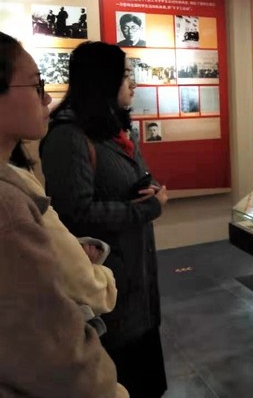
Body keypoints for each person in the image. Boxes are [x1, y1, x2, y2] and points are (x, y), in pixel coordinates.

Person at [41, 41, 169, 398]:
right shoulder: (68, 137)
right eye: (125, 75)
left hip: (137, 275)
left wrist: (148, 188)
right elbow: (75, 212)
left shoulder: (115, 128)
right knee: (121, 378)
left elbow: (130, 178)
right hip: (108, 283)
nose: (132, 83)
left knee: (146, 378)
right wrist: (148, 208)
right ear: (103, 80)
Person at [0, 32, 123, 396]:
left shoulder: (15, 184)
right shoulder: (8, 209)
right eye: (36, 85)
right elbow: (60, 360)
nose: (47, 97)